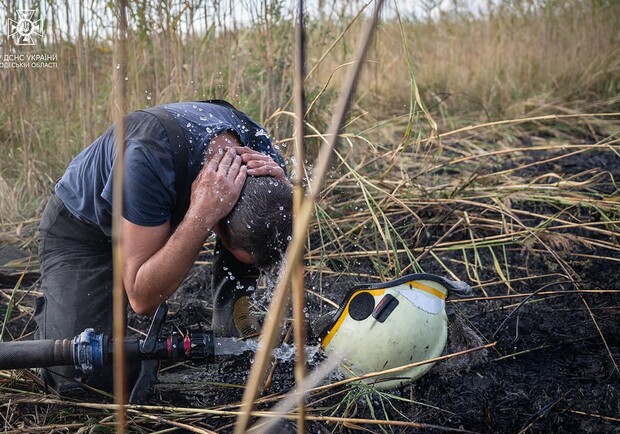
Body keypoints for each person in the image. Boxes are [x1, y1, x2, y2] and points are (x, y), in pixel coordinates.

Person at [34, 100, 293, 393]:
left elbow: (285, 228)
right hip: (85, 232)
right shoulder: (148, 157)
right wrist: (200, 215)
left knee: (268, 231)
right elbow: (143, 300)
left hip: (161, 212)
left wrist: (287, 190)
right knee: (86, 377)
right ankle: (58, 313)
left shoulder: (262, 158)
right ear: (218, 223)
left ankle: (233, 334)